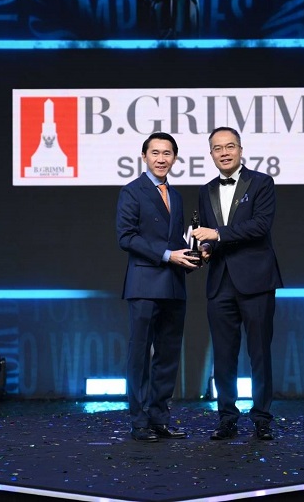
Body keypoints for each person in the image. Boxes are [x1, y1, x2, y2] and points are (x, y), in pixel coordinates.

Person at [191, 126, 283, 441]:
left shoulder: (262, 183)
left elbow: (260, 226)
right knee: (223, 356)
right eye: (218, 148)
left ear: (240, 150)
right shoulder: (205, 190)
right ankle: (227, 419)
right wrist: (205, 248)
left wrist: (217, 234)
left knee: (260, 353)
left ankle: (262, 419)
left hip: (256, 280)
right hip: (220, 282)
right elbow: (208, 233)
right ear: (211, 154)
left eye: (230, 146)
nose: (225, 153)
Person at [116, 131, 200, 442]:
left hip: (174, 285)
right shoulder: (131, 191)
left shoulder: (175, 196)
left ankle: (159, 419)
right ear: (144, 157)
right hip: (144, 284)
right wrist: (168, 255)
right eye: (155, 153)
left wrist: (192, 255)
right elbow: (126, 237)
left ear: (175, 158)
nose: (161, 159)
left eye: (167, 153)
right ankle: (139, 422)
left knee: (168, 356)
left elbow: (175, 241)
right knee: (139, 356)